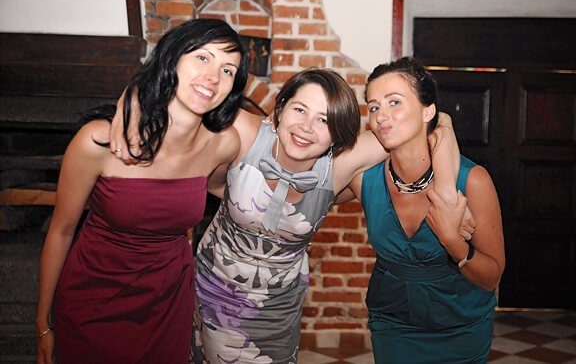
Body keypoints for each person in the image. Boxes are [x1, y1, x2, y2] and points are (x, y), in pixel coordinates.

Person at [110, 68, 469, 364]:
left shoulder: (340, 165)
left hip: (275, 309)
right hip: (206, 290)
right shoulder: (247, 132)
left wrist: (446, 197)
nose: (306, 127)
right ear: (279, 110)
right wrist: (127, 109)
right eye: (299, 110)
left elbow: (436, 124)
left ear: (338, 134)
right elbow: (168, 89)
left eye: (324, 120)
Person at [35, 18, 249, 364]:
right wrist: (43, 323)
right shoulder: (99, 141)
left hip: (167, 305)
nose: (213, 76)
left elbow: (287, 135)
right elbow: (61, 231)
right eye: (203, 57)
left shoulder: (223, 145)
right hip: (93, 301)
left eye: (228, 70)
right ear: (173, 59)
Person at [342, 57, 505, 364]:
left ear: (428, 111)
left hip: (461, 328)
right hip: (393, 325)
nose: (381, 115)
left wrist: (453, 242)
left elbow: (491, 276)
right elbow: (311, 188)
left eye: (394, 102)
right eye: (374, 107)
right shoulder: (364, 179)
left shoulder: (473, 180)